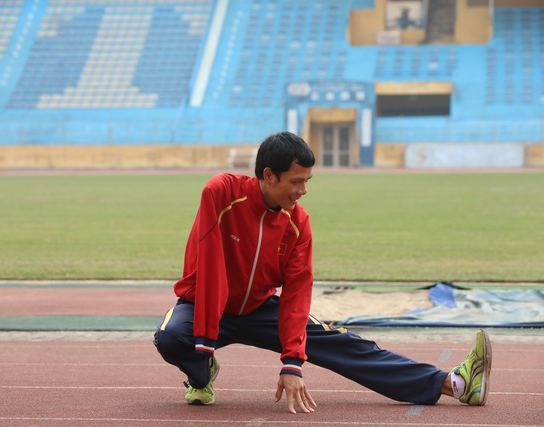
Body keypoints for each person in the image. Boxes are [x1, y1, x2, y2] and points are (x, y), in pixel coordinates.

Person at [153, 131, 491, 414]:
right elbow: (210, 264)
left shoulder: (297, 223)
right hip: (205, 307)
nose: (303, 191)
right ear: (269, 175)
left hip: (260, 309)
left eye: (307, 181)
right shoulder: (222, 193)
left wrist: (292, 363)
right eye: (296, 181)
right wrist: (206, 344)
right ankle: (201, 377)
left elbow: (298, 293)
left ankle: (457, 383)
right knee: (171, 336)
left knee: (346, 345)